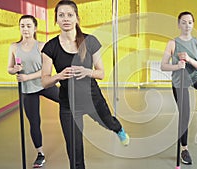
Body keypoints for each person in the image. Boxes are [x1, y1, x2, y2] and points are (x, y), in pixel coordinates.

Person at [41, 1, 130, 169]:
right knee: (74, 151)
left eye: (69, 15)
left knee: (108, 123)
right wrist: (58, 76)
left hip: (92, 98)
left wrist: (87, 71)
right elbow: (44, 82)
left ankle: (118, 129)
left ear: (77, 18)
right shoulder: (50, 47)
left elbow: (101, 73)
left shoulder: (90, 41)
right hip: (68, 104)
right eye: (61, 15)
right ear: (56, 20)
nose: (65, 19)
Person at [7, 15, 59, 168]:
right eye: (22, 26)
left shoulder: (42, 46)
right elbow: (9, 69)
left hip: (44, 84)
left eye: (29, 26)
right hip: (28, 90)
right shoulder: (14, 47)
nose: (25, 29)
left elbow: (46, 69)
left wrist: (27, 76)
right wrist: (13, 70)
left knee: (66, 99)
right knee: (34, 123)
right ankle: (40, 154)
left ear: (35, 28)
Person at [161, 11, 197, 165]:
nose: (187, 25)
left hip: (195, 76)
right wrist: (177, 65)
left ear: (193, 24)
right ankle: (184, 149)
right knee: (185, 114)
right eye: (183, 22)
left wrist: (189, 60)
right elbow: (163, 66)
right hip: (179, 80)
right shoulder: (172, 43)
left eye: (189, 22)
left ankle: (195, 81)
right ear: (178, 24)